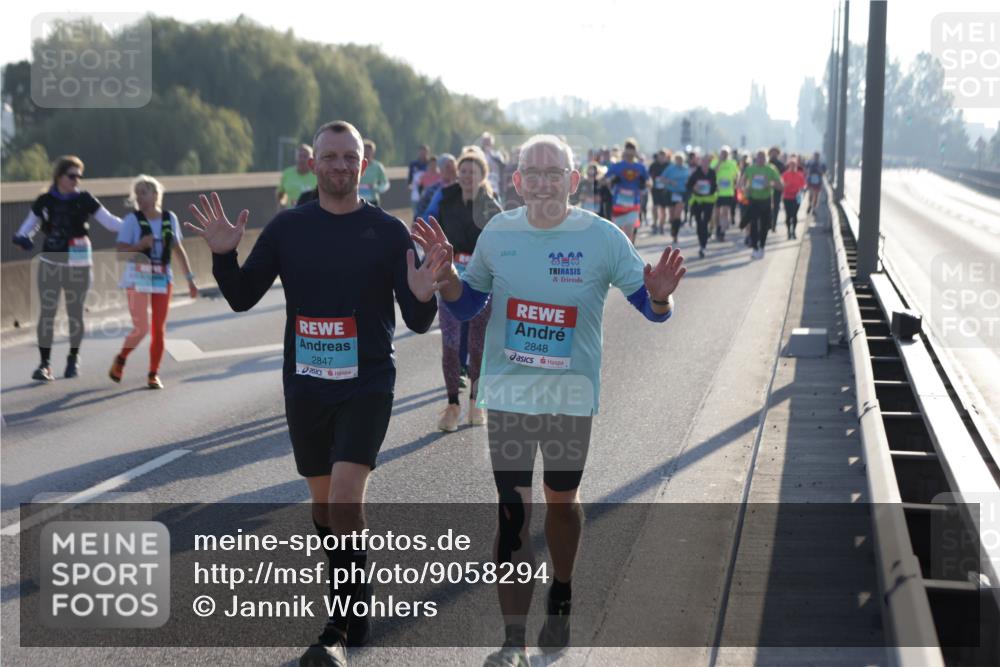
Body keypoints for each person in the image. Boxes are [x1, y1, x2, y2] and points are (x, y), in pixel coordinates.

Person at [411, 134, 686, 667]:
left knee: (561, 500)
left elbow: (652, 307)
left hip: (569, 397)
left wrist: (660, 297)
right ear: (516, 181)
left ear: (572, 180)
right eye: (531, 173)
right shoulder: (499, 232)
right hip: (509, 395)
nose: (542, 182)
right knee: (512, 511)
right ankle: (513, 641)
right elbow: (468, 304)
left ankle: (561, 588)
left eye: (553, 173)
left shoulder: (602, 238)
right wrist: (448, 280)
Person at [183, 120, 446, 667]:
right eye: (330, 156)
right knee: (325, 509)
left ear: (364, 165)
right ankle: (354, 595)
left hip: (367, 382)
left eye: (350, 157)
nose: (340, 165)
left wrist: (425, 297)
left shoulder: (388, 232)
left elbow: (418, 321)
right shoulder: (288, 228)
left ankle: (338, 624)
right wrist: (225, 256)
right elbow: (242, 297)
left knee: (346, 499)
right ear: (314, 163)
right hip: (305, 387)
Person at [12, 155, 123, 381]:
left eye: (79, 176)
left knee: (75, 313)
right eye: (72, 176)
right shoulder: (45, 201)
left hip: (79, 265)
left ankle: (73, 358)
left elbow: (111, 223)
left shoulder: (85, 199)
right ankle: (45, 365)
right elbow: (27, 227)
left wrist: (137, 225)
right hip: (51, 263)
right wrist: (22, 238)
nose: (76, 180)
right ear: (60, 177)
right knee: (47, 314)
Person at [420, 149, 501, 431]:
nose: (466, 176)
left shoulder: (491, 206)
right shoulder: (445, 197)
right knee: (451, 344)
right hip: (450, 276)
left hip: (481, 280)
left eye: (472, 172)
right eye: (463, 171)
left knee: (477, 345)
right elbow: (428, 222)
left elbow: (503, 243)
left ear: (483, 176)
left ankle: (476, 402)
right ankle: (453, 405)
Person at [109, 175, 198, 389]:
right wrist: (139, 245)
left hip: (161, 277)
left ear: (156, 195)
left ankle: (153, 373)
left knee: (159, 329)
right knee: (141, 328)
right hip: (137, 276)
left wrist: (190, 280)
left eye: (144, 192)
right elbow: (120, 253)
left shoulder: (170, 218)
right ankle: (121, 358)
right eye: (137, 194)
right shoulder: (132, 220)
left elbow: (178, 249)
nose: (139, 198)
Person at [737, 149, 784, 259]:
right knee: (753, 224)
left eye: (762, 157)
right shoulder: (750, 169)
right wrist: (745, 189)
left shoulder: (771, 169)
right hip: (753, 200)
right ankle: (754, 248)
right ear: (756, 158)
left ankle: (762, 247)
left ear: (766, 158)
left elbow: (781, 186)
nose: (760, 159)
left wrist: (770, 184)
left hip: (766, 200)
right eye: (758, 157)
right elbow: (741, 184)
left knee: (764, 226)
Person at [604, 139, 648, 244]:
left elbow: (649, 181)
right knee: (618, 233)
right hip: (618, 203)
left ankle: (628, 252)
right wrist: (610, 180)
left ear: (635, 151)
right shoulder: (617, 166)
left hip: (634, 203)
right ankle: (620, 252)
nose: (630, 152)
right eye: (628, 150)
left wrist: (645, 185)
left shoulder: (640, 167)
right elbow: (604, 179)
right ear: (625, 151)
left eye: (632, 150)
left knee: (629, 233)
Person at [686, 155, 717, 259]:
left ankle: (704, 243)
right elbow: (688, 185)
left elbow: (715, 185)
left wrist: (712, 189)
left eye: (707, 162)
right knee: (699, 222)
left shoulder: (712, 172)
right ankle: (702, 244)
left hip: (709, 200)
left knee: (705, 221)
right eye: (703, 162)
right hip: (698, 200)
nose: (705, 164)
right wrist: (695, 188)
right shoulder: (696, 173)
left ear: (709, 163)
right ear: (701, 163)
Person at [277, 144, 318, 211]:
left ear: (311, 160)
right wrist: (283, 206)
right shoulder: (287, 174)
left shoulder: (317, 175)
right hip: (292, 212)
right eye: (300, 156)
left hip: (312, 212)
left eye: (305, 156)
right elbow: (280, 194)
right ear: (296, 158)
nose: (302, 159)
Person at [663, 153, 690, 244]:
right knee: (671, 215)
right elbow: (662, 178)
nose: (679, 161)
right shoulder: (670, 168)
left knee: (677, 214)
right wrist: (670, 181)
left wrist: (688, 182)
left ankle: (675, 234)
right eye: (678, 159)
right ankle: (673, 228)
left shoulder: (686, 168)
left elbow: (690, 179)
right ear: (675, 160)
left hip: (682, 193)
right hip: (671, 192)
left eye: (681, 159)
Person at [714, 146, 740, 242]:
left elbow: (737, 174)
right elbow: (712, 173)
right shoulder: (715, 162)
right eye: (722, 153)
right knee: (716, 214)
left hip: (728, 192)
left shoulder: (732, 163)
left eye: (726, 154)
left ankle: (722, 232)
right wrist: (719, 162)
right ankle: (717, 228)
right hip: (717, 192)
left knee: (725, 212)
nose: (724, 155)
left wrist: (736, 182)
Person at [357, 139, 390, 207]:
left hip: (373, 200)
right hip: (357, 200)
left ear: (373, 152)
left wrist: (376, 188)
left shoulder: (378, 166)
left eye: (369, 151)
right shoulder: (356, 165)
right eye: (365, 151)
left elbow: (385, 183)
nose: (367, 153)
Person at [781, 158, 807, 239]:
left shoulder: (800, 175)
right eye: (791, 165)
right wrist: (785, 185)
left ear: (796, 166)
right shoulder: (785, 175)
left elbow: (804, 185)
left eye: (794, 165)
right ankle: (789, 231)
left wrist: (802, 189)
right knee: (788, 215)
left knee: (794, 215)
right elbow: (781, 185)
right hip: (787, 197)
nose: (792, 167)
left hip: (797, 197)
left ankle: (794, 232)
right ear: (789, 166)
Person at [648, 150, 671, 235]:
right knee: (655, 206)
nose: (661, 158)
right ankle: (655, 223)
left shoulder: (668, 166)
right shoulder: (653, 165)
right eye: (660, 156)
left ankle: (661, 225)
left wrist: (666, 181)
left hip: (665, 189)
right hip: (655, 189)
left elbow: (672, 176)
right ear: (657, 157)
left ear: (666, 157)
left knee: (663, 209)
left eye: (663, 156)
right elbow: (649, 176)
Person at [408, 144, 430, 218]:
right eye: (421, 152)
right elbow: (410, 178)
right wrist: (409, 185)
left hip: (428, 194)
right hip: (415, 193)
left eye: (424, 152)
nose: (423, 154)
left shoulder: (430, 164)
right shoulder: (413, 164)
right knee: (416, 214)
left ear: (428, 153)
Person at [767, 146, 786, 231]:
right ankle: (768, 223)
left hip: (777, 189)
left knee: (776, 206)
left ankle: (774, 224)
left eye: (775, 153)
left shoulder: (781, 165)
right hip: (766, 189)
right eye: (772, 153)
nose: (774, 154)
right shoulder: (766, 163)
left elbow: (783, 177)